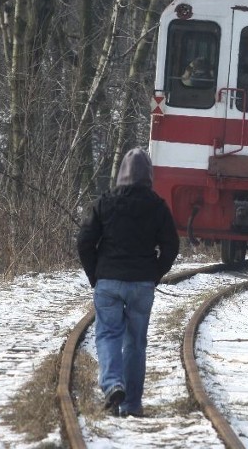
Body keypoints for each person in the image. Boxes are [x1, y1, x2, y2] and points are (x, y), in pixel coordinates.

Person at [76, 147, 180, 417]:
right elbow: (171, 245)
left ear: (121, 172)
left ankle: (112, 384)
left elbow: (84, 241)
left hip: (108, 281)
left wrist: (94, 275)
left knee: (108, 334)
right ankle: (132, 404)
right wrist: (155, 273)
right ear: (149, 175)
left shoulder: (105, 202)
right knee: (135, 342)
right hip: (141, 284)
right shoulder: (157, 206)